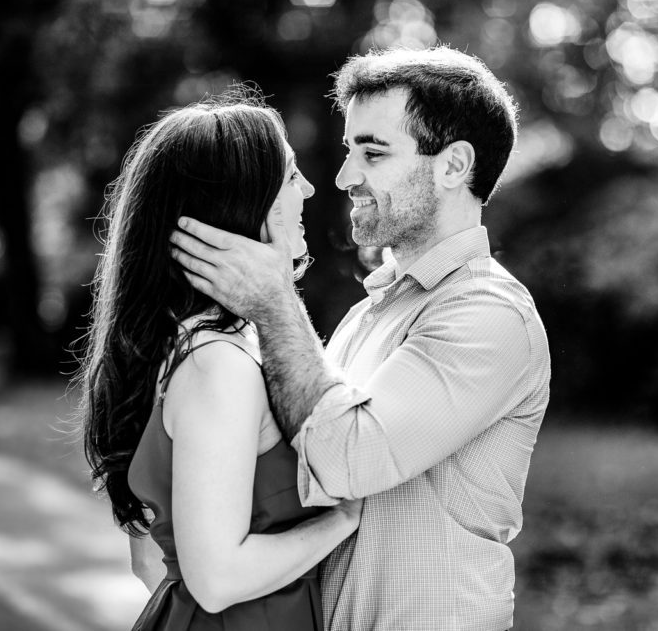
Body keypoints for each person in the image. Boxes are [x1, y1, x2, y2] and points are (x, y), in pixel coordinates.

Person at [169, 47, 551, 631]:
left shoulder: (488, 315)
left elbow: (347, 460)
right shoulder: (365, 317)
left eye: (372, 153)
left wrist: (272, 302)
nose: (346, 177)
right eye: (350, 151)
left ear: (454, 166)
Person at [77, 93, 362, 631]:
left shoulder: (183, 346)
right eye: (291, 175)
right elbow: (215, 579)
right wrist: (345, 519)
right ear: (242, 204)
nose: (308, 189)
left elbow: (149, 562)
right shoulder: (220, 365)